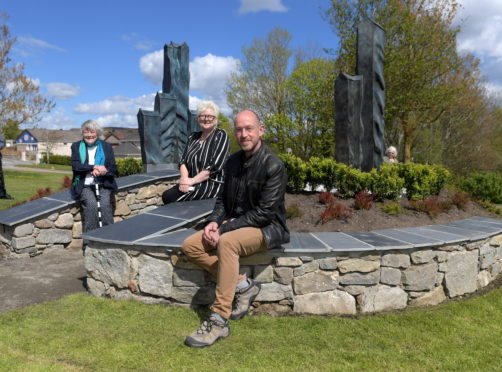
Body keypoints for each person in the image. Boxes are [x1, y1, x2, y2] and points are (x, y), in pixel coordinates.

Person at [181, 110, 289, 348]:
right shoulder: (232, 162)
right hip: (235, 224)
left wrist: (225, 229)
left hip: (267, 227)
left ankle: (219, 320)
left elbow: (265, 213)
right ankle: (243, 285)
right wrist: (213, 222)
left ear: (260, 130)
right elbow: (222, 201)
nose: (243, 134)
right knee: (190, 245)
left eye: (249, 128)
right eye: (239, 130)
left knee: (226, 243)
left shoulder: (273, 165)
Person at [161, 100, 229, 204]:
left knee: (173, 199)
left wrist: (191, 181)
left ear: (215, 119)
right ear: (198, 119)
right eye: (202, 116)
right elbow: (183, 161)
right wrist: (184, 179)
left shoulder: (221, 135)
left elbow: (214, 167)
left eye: (210, 116)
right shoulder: (193, 137)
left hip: (211, 183)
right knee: (166, 195)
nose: (206, 119)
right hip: (191, 182)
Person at [71, 120, 117, 233]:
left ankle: (110, 236)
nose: (89, 135)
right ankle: (90, 239)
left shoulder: (107, 146)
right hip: (84, 185)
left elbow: (113, 168)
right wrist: (94, 167)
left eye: (92, 132)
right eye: (86, 132)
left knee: (105, 206)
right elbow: (76, 166)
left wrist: (104, 170)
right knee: (91, 205)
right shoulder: (76, 146)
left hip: (104, 183)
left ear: (97, 133)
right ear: (83, 133)